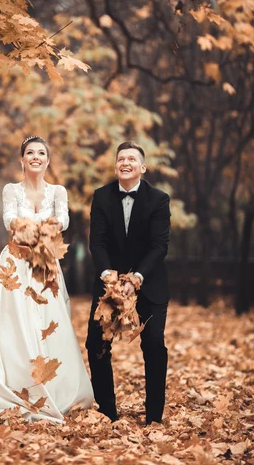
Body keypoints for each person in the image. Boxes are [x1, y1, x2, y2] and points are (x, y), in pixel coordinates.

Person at [0, 136, 94, 422]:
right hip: (15, 264)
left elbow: (65, 219)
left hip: (45, 264)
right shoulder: (12, 190)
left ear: (48, 160)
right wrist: (29, 229)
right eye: (29, 153)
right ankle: (11, 381)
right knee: (14, 323)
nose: (35, 157)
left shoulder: (58, 191)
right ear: (22, 160)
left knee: (48, 322)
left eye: (41, 153)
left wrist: (52, 227)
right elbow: (9, 219)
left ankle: (53, 387)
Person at [86, 141, 171, 425]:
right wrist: (108, 275)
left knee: (154, 345)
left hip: (149, 283)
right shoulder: (101, 196)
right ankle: (106, 411)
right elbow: (96, 242)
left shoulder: (159, 199)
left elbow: (159, 246)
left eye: (132, 159)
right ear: (115, 167)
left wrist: (136, 279)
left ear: (142, 167)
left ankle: (154, 416)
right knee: (95, 343)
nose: (125, 162)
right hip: (109, 283)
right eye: (121, 158)